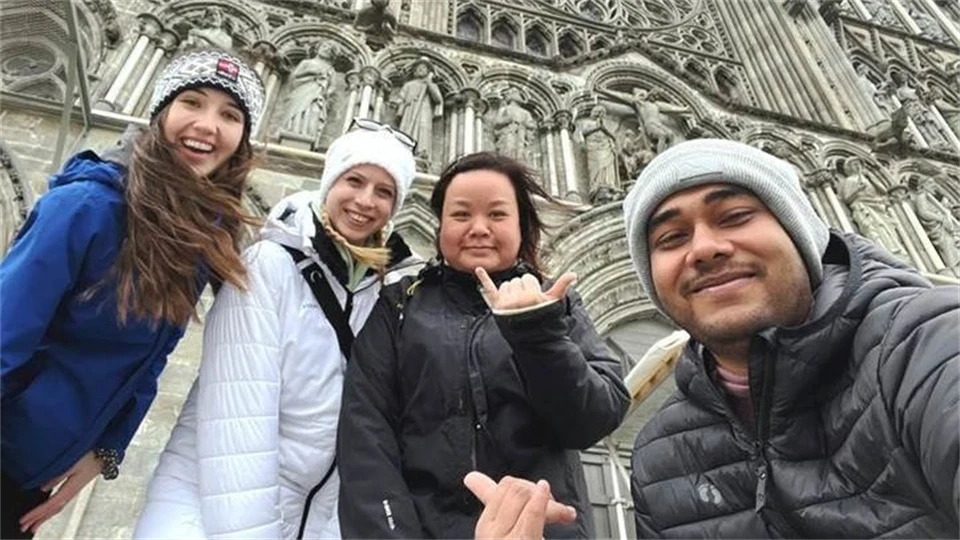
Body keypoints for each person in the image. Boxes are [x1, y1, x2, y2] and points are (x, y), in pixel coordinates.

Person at [621, 139, 959, 537]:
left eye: (735, 215)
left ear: (801, 234)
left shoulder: (926, 346)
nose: (705, 249)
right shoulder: (658, 459)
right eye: (671, 239)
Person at [0, 49, 265, 539]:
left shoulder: (197, 236)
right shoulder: (85, 205)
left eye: (230, 115)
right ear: (161, 111)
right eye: (193, 102)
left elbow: (152, 357)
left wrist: (108, 450)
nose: (208, 125)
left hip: (30, 482)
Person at [133, 121, 419, 539]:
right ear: (329, 182)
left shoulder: (377, 289)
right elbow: (237, 425)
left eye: (384, 191)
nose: (365, 201)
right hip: (211, 513)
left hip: (302, 517)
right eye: (354, 180)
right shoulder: (269, 262)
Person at [337, 151, 631, 539]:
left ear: (521, 226)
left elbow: (593, 419)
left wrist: (535, 332)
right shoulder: (400, 305)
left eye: (496, 215)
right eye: (460, 215)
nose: (478, 228)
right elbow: (366, 434)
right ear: (439, 226)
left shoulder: (552, 303)